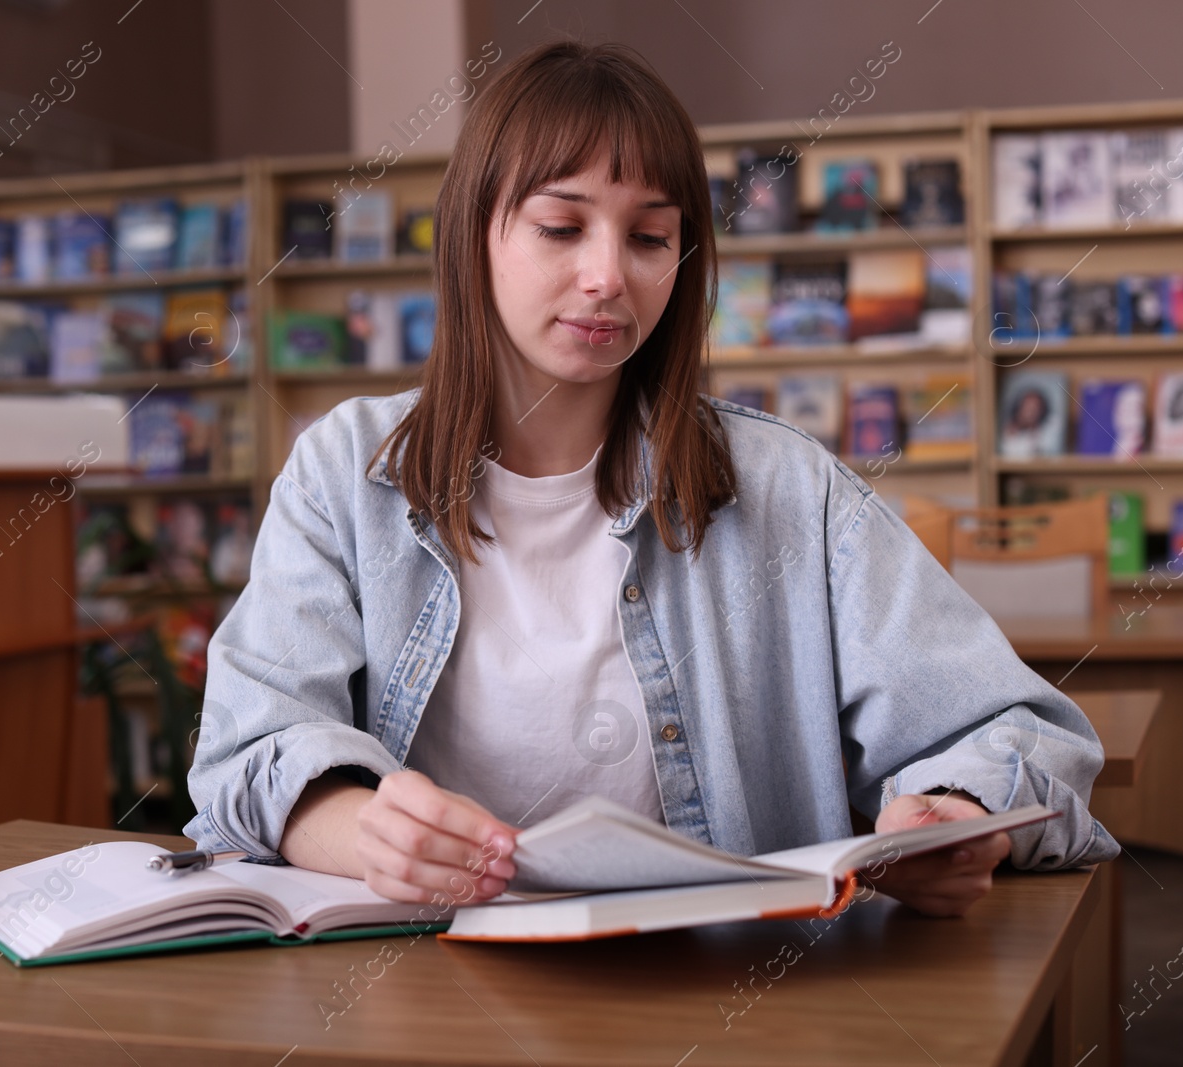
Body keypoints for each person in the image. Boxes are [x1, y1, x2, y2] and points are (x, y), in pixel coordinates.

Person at [185, 39, 1117, 918]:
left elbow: (1013, 725)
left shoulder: (787, 485)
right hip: (426, 988)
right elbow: (250, 743)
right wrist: (362, 832)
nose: (606, 277)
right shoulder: (347, 471)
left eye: (649, 238)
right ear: (474, 234)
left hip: (727, 990)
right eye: (561, 225)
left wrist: (954, 815)